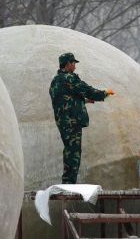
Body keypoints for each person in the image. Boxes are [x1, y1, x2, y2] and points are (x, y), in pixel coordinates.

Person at [49, 52, 115, 184]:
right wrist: (104, 94)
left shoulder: (55, 81)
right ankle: (69, 183)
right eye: (74, 63)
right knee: (74, 153)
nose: (75, 66)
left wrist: (83, 101)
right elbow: (88, 90)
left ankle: (68, 182)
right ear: (68, 63)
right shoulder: (70, 78)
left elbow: (64, 100)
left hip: (63, 122)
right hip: (72, 121)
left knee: (69, 150)